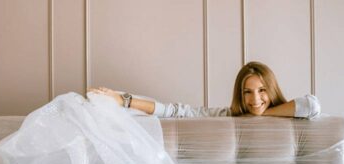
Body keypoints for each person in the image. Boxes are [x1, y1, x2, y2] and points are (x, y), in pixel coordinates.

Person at [89, 61, 321, 119]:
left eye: (262, 90)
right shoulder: (228, 117)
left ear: (271, 89)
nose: (256, 99)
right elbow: (174, 111)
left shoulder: (289, 115)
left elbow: (313, 105)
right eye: (247, 92)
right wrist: (125, 101)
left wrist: (260, 117)